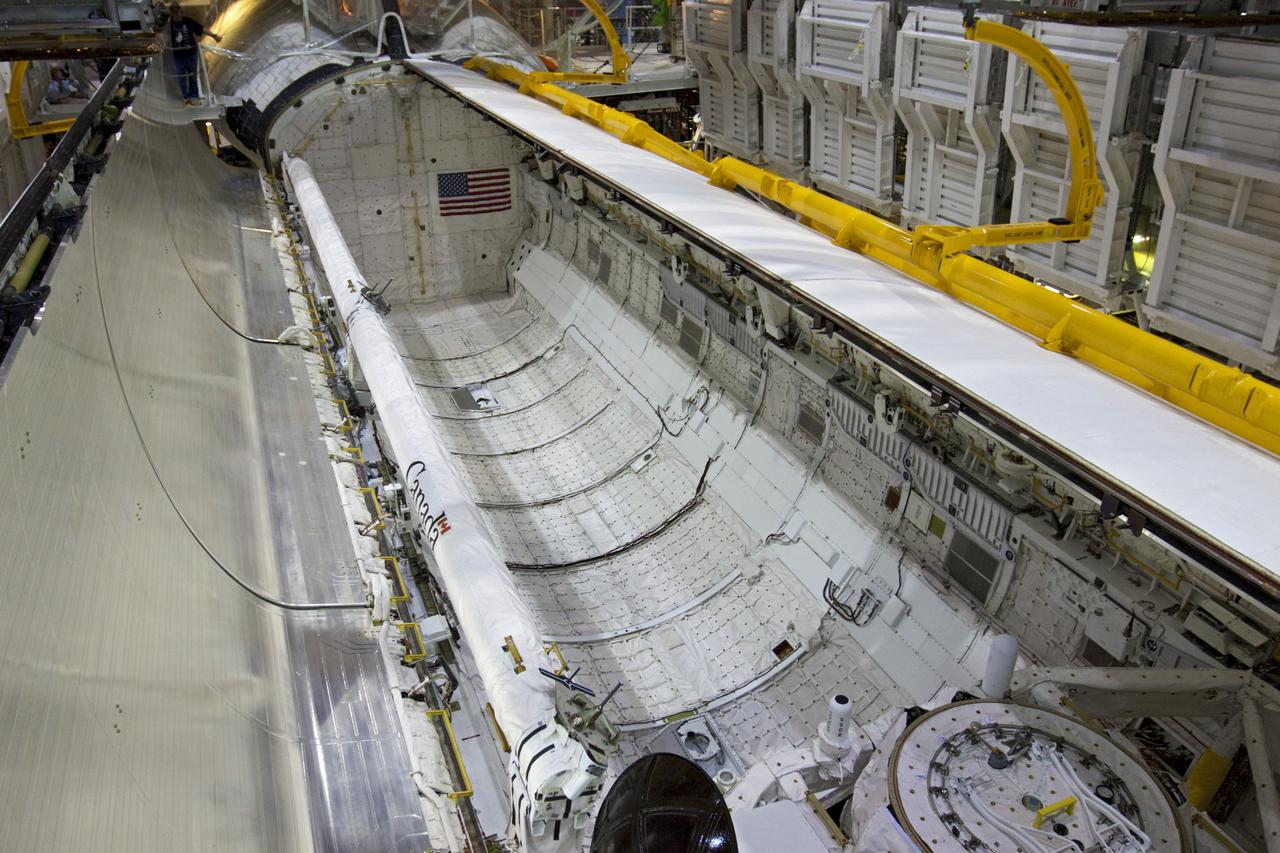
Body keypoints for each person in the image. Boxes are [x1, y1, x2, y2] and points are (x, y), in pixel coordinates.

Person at [169, 2, 221, 103]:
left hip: (190, 55)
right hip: (178, 57)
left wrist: (214, 35)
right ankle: (185, 97)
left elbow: (201, 29)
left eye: (179, 12)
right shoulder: (169, 26)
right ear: (172, 13)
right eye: (175, 13)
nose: (178, 15)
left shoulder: (188, 22)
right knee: (181, 77)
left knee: (193, 76)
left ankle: (194, 95)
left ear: (181, 12)